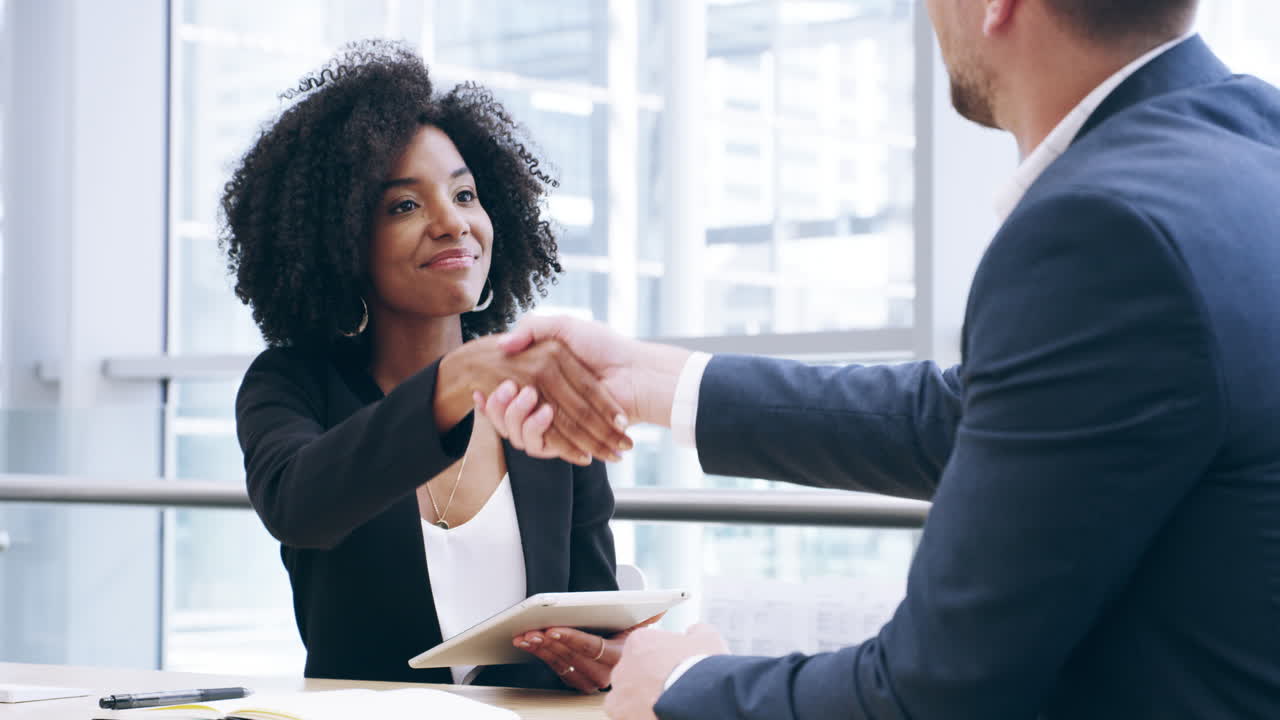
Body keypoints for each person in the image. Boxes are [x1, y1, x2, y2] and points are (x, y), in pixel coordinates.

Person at [477, 0, 1280, 716]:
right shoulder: (1247, 144)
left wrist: (684, 681)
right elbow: (984, 420)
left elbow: (932, 692)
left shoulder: (1101, 226)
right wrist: (649, 383)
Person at [223, 41, 636, 691]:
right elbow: (301, 505)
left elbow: (596, 621)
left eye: (466, 195)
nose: (453, 224)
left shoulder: (539, 397)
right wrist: (457, 381)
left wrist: (610, 661)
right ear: (341, 240)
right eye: (404, 206)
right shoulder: (292, 385)